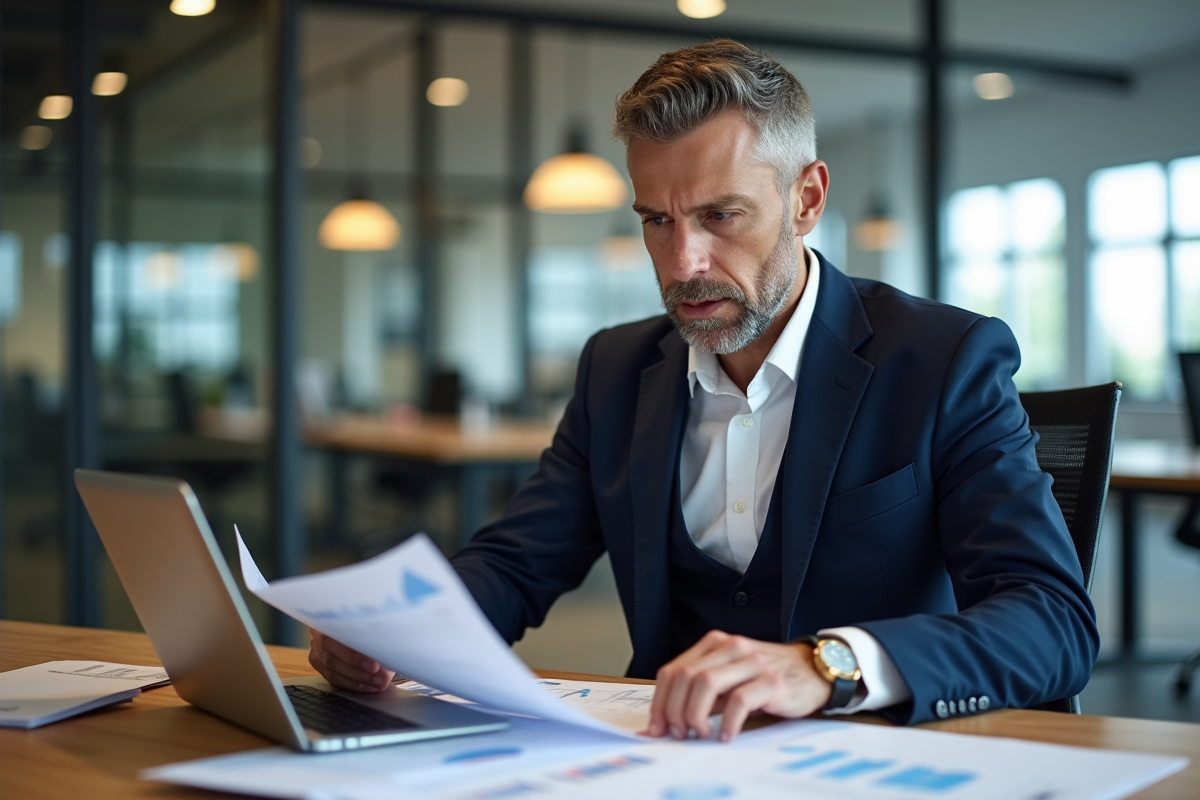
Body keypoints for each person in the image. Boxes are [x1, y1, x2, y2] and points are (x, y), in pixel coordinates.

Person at [309, 39, 1097, 742]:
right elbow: (515, 565)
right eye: (656, 220)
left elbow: (1052, 623)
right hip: (668, 755)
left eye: (722, 216)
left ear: (807, 200)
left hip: (869, 756)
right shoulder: (616, 370)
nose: (682, 262)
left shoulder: (942, 358)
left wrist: (830, 666)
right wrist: (403, 627)